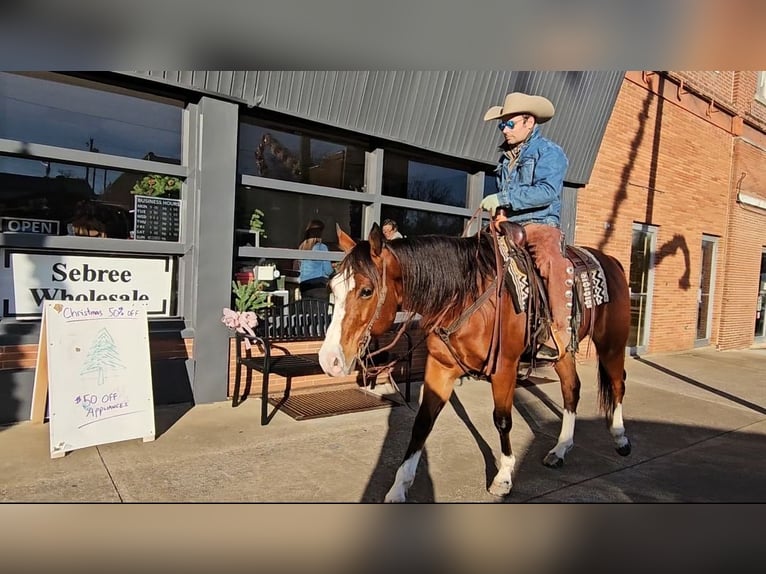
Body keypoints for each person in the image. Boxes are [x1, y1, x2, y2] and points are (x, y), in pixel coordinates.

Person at [479, 92, 572, 361]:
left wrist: (503, 198)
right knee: (475, 256)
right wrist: (500, 213)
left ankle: (558, 333)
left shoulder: (550, 153)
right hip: (510, 225)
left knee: (548, 262)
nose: (504, 130)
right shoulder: (505, 158)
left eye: (509, 124)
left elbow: (547, 191)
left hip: (540, 224)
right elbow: (505, 199)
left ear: (528, 122)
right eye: (502, 125)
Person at [297, 219, 334, 300]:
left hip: (304, 285)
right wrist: (335, 269)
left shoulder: (302, 247)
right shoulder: (322, 247)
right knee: (320, 312)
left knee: (307, 311)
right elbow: (328, 270)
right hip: (318, 285)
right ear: (320, 232)